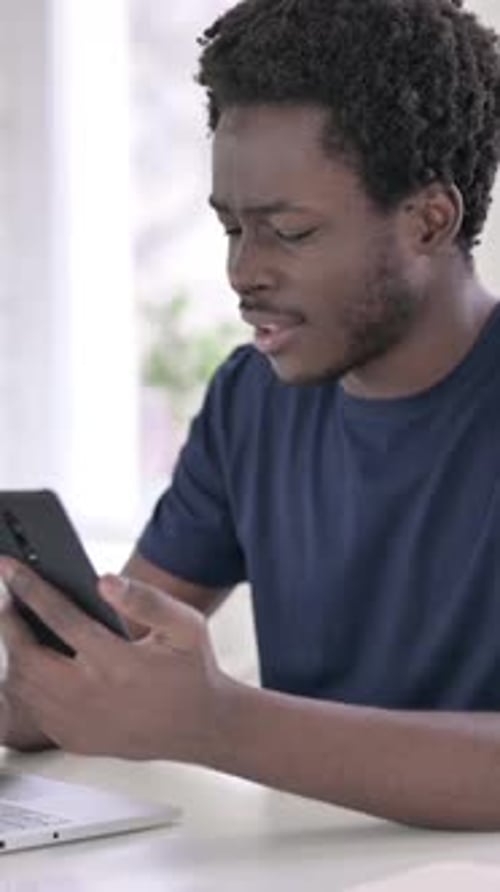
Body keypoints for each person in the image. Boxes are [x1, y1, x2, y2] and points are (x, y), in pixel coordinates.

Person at [2, 0, 500, 831]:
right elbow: (114, 668)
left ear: (428, 221)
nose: (243, 271)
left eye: (290, 232)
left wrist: (217, 722)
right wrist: (49, 679)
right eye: (232, 227)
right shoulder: (252, 401)